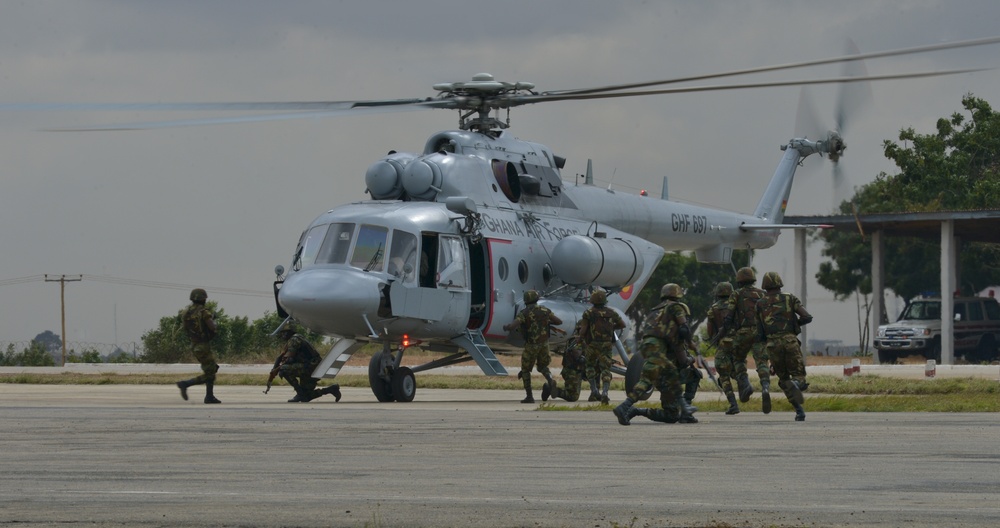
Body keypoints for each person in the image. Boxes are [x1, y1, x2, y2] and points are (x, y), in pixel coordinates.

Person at [613, 283, 697, 425]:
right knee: (649, 379)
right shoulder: (675, 308)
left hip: (648, 350)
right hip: (656, 355)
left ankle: (684, 411)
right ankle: (626, 407)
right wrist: (691, 355)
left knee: (671, 415)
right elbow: (682, 349)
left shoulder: (655, 312)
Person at [755, 272, 813, 421]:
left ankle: (799, 411)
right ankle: (796, 384)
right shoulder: (789, 298)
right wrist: (793, 325)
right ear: (779, 283)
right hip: (790, 341)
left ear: (764, 285)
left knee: (783, 379)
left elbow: (760, 332)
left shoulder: (760, 304)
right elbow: (807, 317)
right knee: (798, 376)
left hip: (772, 345)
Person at [725, 267, 772, 414]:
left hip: (743, 333)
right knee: (762, 362)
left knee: (738, 358)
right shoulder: (762, 293)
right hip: (760, 332)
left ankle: (745, 384)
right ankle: (765, 387)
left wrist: (726, 331)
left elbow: (729, 315)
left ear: (739, 280)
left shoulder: (736, 294)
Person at [503, 290, 562, 403]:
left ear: (525, 301)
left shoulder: (524, 313)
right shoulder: (545, 311)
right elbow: (559, 321)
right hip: (544, 344)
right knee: (543, 367)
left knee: (525, 370)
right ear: (536, 299)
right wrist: (545, 322)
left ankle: (529, 396)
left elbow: (513, 326)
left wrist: (507, 327)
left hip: (531, 345)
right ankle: (550, 380)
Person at [271, 325, 342, 403]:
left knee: (283, 369)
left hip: (310, 367)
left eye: (283, 333)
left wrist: (276, 370)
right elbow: (281, 357)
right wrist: (273, 370)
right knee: (306, 397)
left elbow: (288, 359)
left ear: (288, 333)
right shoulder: (295, 339)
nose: (282, 335)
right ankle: (331, 389)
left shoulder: (294, 340)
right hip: (312, 367)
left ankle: (300, 393)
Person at [578, 289, 626, 404]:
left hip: (592, 344)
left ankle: (594, 390)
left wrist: (579, 338)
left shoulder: (588, 313)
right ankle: (605, 392)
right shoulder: (611, 312)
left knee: (590, 366)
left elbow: (583, 330)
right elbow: (622, 324)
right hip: (606, 344)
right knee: (605, 368)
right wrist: (611, 327)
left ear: (592, 300)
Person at [175, 288, 222, 404]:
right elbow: (213, 327)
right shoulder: (204, 312)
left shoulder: (186, 312)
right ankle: (186, 384)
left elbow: (187, 328)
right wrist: (213, 320)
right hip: (203, 345)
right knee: (210, 374)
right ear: (203, 299)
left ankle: (209, 396)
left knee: (212, 369)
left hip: (194, 344)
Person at [706, 281, 740, 414]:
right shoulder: (737, 306)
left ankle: (733, 404)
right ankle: (744, 384)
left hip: (723, 345)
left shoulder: (713, 309)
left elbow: (709, 332)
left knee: (723, 375)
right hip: (739, 343)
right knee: (736, 371)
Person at [545, 322, 586, 402]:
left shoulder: (577, 339)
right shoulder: (577, 340)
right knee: (572, 397)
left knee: (574, 395)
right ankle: (550, 389)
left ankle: (552, 390)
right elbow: (577, 354)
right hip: (572, 371)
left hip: (574, 370)